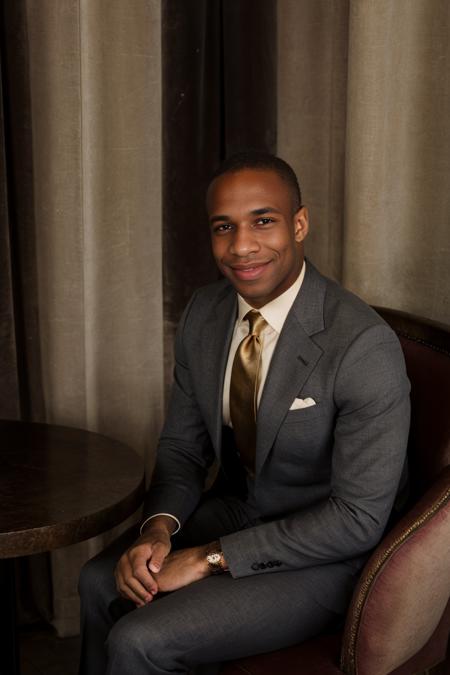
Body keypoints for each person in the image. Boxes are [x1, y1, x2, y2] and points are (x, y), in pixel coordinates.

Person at [78, 152, 410, 675]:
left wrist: (210, 557)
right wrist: (158, 531)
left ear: (299, 224)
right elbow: (183, 450)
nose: (242, 246)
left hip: (326, 553)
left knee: (140, 641)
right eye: (223, 227)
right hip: (240, 507)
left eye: (263, 221)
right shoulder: (205, 313)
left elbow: (357, 519)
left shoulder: (363, 345)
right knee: (98, 580)